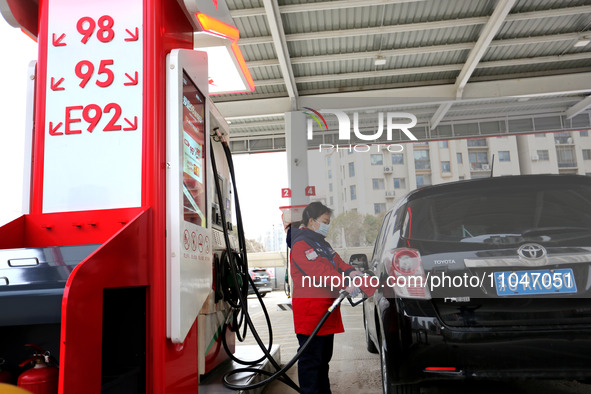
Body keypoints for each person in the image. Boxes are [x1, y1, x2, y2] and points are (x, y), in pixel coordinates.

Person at [288, 202, 363, 394]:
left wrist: (352, 272)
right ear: (312, 221)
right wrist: (344, 283)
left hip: (326, 311)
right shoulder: (301, 243)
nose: (327, 225)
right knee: (311, 361)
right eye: (324, 221)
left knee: (323, 360)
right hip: (311, 314)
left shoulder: (320, 243)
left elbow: (336, 261)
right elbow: (319, 271)